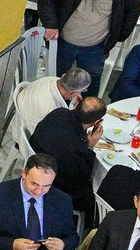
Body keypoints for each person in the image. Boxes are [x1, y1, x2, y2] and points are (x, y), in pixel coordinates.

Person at [38, 0, 140, 80]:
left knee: (91, 80)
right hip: (63, 42)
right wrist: (51, 24)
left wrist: (119, 35)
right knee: (57, 78)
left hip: (96, 47)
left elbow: (133, 11)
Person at [0, 155, 76, 250]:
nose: (39, 191)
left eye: (46, 186)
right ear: (24, 173)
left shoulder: (62, 200)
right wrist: (11, 245)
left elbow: (72, 237)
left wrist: (63, 246)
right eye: (34, 183)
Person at [30, 96, 106, 225]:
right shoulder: (76, 150)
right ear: (96, 122)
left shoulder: (59, 112)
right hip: (53, 184)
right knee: (95, 193)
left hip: (36, 159)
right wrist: (89, 147)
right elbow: (81, 180)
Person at [16, 66, 90, 139]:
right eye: (82, 91)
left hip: (28, 111)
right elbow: (52, 137)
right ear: (74, 93)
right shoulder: (51, 110)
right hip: (33, 135)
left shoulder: (51, 79)